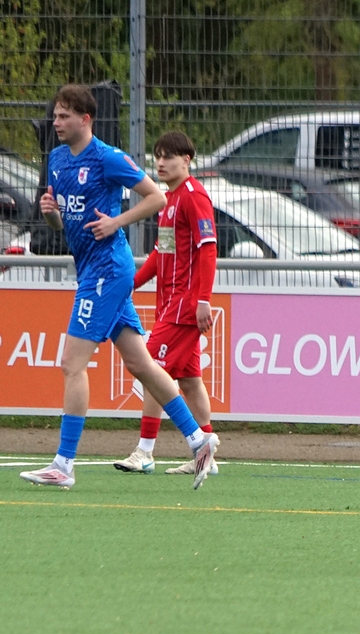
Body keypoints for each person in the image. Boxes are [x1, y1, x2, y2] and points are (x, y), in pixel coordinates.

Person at [18, 85, 219, 491]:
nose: (55, 123)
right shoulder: (56, 160)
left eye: (63, 116)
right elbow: (63, 226)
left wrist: (116, 222)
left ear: (85, 119)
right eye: (55, 116)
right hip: (91, 269)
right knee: (142, 365)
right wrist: (52, 215)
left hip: (108, 270)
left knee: (71, 365)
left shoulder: (107, 158)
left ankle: (63, 464)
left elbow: (156, 198)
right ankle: (199, 441)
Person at [113, 131, 220, 478]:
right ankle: (207, 456)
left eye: (169, 157)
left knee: (149, 370)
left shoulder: (193, 197)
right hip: (170, 304)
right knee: (188, 381)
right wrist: (129, 284)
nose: (160, 163)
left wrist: (203, 299)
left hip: (184, 305)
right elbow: (162, 254)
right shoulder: (168, 200)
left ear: (186, 160)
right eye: (157, 156)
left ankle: (145, 451)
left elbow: (208, 248)